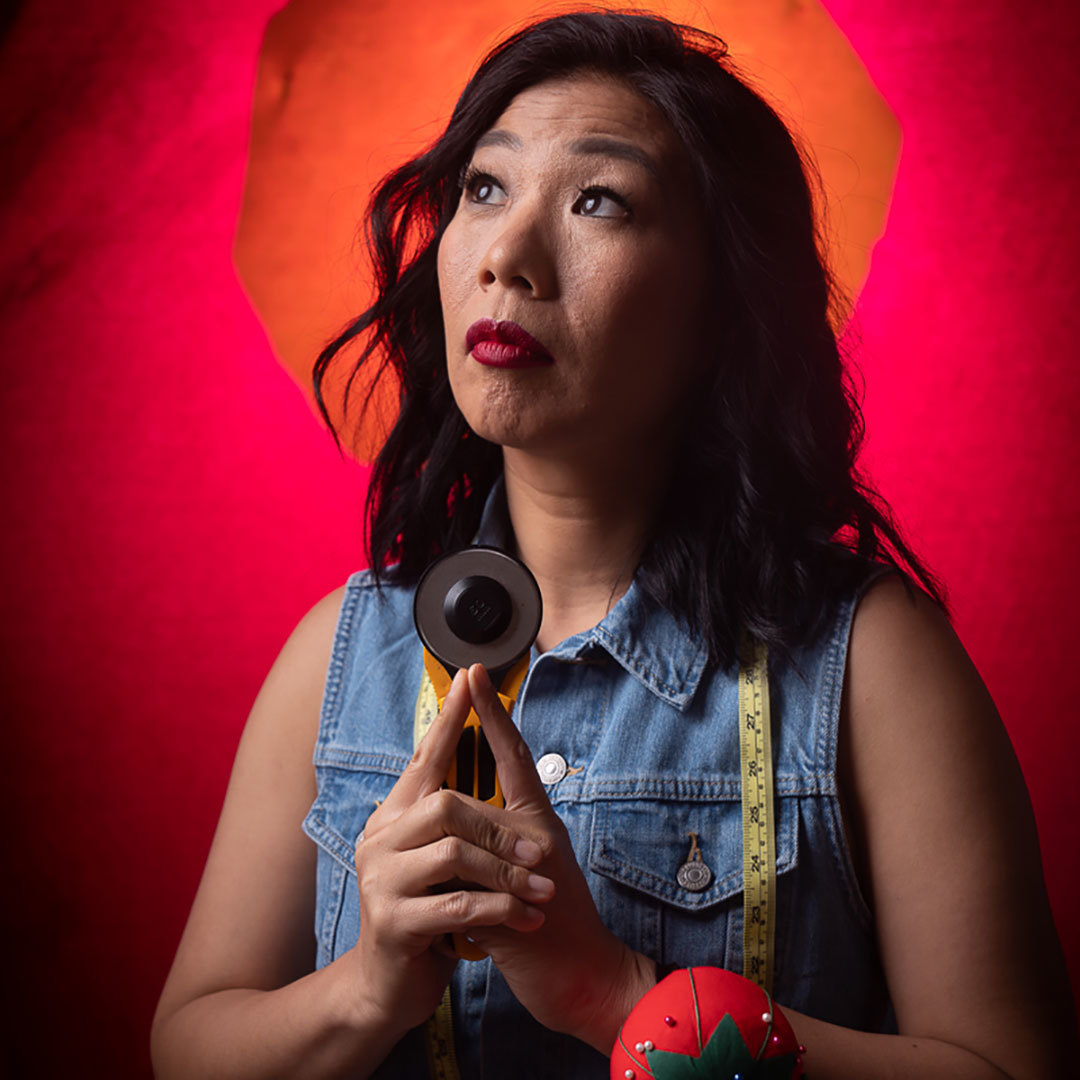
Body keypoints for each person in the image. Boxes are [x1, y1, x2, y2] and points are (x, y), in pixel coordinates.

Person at [150, 10, 1077, 1078]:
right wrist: (366, 992)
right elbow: (189, 1045)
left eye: (600, 201)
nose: (506, 255)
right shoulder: (342, 654)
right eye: (484, 189)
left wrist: (618, 999)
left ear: (722, 307)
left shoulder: (870, 661)